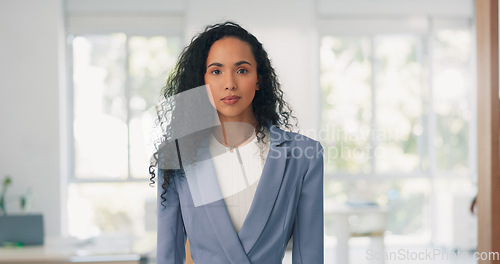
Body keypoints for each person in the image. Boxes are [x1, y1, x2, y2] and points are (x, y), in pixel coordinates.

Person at [149, 21, 324, 264]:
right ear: (202, 83)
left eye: (241, 70)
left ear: (259, 80)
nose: (230, 83)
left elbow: (310, 255)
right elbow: (169, 256)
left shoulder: (304, 155)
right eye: (216, 71)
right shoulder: (178, 157)